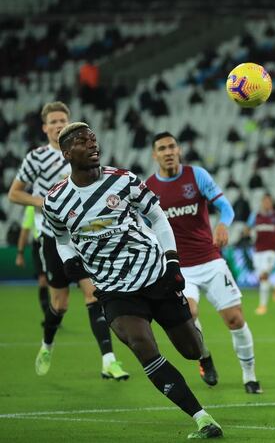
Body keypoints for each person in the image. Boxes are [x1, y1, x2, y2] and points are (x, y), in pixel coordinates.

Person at [41, 122, 222, 438]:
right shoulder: (56, 199)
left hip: (155, 275)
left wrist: (172, 261)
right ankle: (202, 417)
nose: (93, 145)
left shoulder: (123, 181)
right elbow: (61, 238)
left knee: (190, 349)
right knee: (142, 346)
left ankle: (205, 354)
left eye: (94, 139)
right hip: (113, 289)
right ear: (67, 152)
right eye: (84, 142)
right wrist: (70, 262)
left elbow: (157, 218)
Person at [7, 101, 127, 380]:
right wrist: (46, 202)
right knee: (60, 303)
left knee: (93, 293)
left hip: (84, 236)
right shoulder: (36, 158)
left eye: (63, 119)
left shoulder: (82, 151)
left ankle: (109, 361)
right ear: (45, 127)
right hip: (52, 236)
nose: (59, 124)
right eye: (54, 121)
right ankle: (47, 344)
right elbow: (14, 194)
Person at [147, 132, 261, 393]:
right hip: (178, 266)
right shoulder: (149, 187)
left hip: (210, 260)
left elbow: (227, 208)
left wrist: (222, 224)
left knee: (234, 319)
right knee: (190, 313)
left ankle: (249, 376)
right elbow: (145, 226)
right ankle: (204, 357)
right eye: (162, 148)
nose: (168, 151)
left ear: (179, 150)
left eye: (172, 146)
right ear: (155, 155)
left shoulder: (196, 176)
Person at [247, 193, 275, 314]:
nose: (266, 203)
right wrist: (249, 235)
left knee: (264, 276)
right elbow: (247, 228)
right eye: (264, 201)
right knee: (261, 277)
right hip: (257, 251)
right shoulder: (255, 216)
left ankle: (262, 306)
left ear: (271, 203)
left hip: (271, 251)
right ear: (262, 202)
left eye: (269, 201)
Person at [16, 205, 49, 318]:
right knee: (43, 280)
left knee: (56, 282)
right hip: (39, 244)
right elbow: (24, 231)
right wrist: (20, 253)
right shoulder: (31, 208)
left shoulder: (52, 201)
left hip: (54, 244)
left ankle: (56, 311)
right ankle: (48, 315)